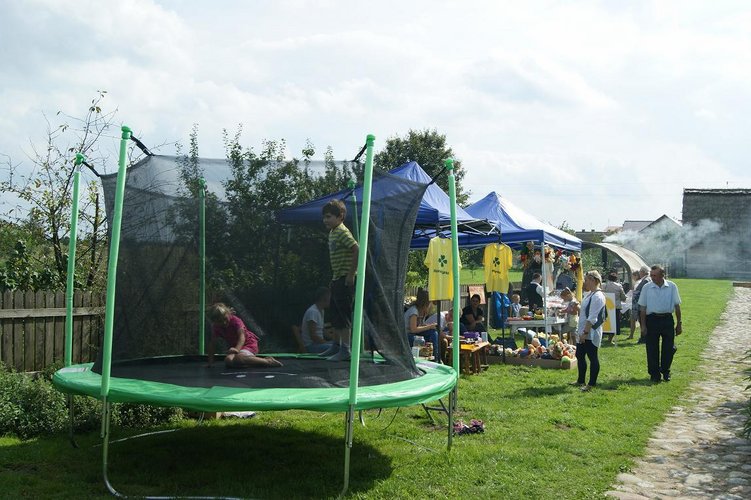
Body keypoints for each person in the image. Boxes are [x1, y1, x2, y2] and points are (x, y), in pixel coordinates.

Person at [319, 199, 359, 361]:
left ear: (340, 216)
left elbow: (356, 249)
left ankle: (345, 349)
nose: (325, 220)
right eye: (324, 217)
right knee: (335, 314)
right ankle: (335, 345)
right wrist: (334, 278)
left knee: (343, 315)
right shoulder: (333, 232)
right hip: (337, 278)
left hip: (345, 279)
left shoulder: (342, 231)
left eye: (329, 217)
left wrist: (351, 274)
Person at [638, 265, 682, 384]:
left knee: (669, 347)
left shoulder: (672, 286)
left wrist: (679, 323)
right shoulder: (647, 287)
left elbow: (677, 306)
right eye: (651, 275)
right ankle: (654, 374)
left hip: (667, 319)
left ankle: (666, 371)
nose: (652, 277)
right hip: (652, 319)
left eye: (655, 275)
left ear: (662, 275)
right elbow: (643, 308)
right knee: (652, 348)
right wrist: (643, 326)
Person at [207, 303, 282, 368]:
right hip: (236, 349)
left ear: (228, 313)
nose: (224, 322)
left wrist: (236, 349)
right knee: (228, 360)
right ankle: (252, 362)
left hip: (249, 344)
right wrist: (210, 362)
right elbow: (212, 344)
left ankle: (267, 361)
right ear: (214, 322)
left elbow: (242, 337)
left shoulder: (236, 321)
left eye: (225, 319)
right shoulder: (216, 327)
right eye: (220, 321)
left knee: (239, 358)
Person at [574, 270, 606, 391]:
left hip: (590, 332)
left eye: (586, 280)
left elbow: (592, 317)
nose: (585, 282)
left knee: (592, 357)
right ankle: (580, 380)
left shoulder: (598, 296)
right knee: (579, 354)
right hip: (583, 329)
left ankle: (591, 384)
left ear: (593, 280)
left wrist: (585, 333)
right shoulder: (590, 294)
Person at [404, 290, 440, 362]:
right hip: (407, 334)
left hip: (414, 333)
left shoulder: (422, 311)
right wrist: (429, 327)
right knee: (419, 338)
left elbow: (420, 325)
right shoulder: (414, 311)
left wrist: (430, 326)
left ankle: (436, 357)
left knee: (433, 333)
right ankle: (434, 359)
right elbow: (413, 329)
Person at [301, 286, 335, 354]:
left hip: (320, 344)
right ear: (324, 299)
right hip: (312, 346)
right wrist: (326, 343)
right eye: (330, 298)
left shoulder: (321, 310)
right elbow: (313, 336)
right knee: (336, 349)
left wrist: (334, 339)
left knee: (341, 346)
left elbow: (322, 330)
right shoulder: (313, 312)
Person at [602, 271, 627, 344]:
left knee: (604, 321)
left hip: (605, 305)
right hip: (615, 306)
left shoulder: (604, 285)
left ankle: (602, 336)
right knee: (614, 323)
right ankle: (610, 339)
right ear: (616, 279)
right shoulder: (619, 286)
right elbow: (623, 297)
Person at [630, 266, 651, 343]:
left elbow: (640, 292)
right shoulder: (646, 279)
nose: (639, 273)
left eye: (640, 272)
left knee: (642, 321)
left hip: (641, 304)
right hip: (643, 303)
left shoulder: (646, 280)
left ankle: (643, 338)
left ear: (643, 272)